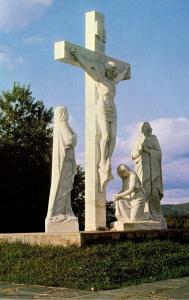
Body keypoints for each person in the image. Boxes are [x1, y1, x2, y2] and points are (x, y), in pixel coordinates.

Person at [70, 47, 129, 191]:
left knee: (113, 136)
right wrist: (77, 56)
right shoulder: (100, 78)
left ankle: (108, 158)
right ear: (107, 69)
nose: (114, 73)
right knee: (106, 135)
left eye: (114, 72)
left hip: (112, 108)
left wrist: (125, 71)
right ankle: (102, 161)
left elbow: (121, 76)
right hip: (102, 106)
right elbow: (87, 68)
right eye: (112, 71)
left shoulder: (112, 82)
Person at [46, 106, 77, 223]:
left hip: (65, 161)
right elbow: (70, 140)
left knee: (63, 187)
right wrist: (75, 136)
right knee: (63, 187)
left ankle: (63, 211)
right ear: (63, 113)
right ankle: (59, 212)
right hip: (65, 162)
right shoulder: (63, 124)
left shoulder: (59, 126)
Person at [131, 122, 163, 221]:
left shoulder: (153, 138)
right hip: (141, 168)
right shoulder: (138, 140)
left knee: (153, 190)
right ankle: (141, 214)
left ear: (149, 128)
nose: (144, 128)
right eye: (142, 127)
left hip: (152, 169)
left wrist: (148, 151)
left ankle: (154, 214)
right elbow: (133, 155)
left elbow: (159, 152)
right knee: (142, 188)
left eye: (146, 126)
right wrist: (140, 150)